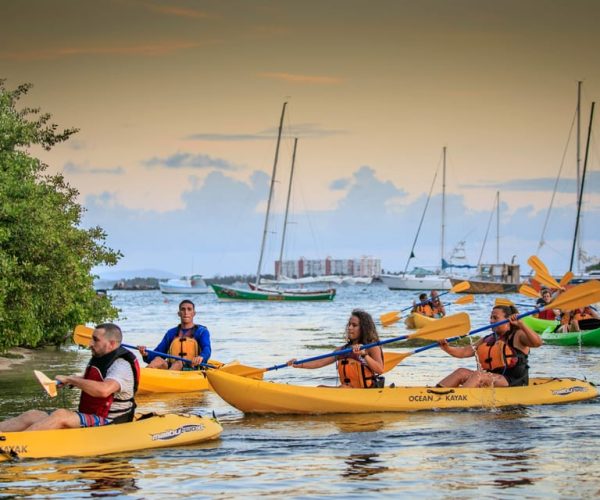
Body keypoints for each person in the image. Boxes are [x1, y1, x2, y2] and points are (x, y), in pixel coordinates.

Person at [0, 323, 139, 432]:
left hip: (110, 421)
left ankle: (18, 444)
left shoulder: (122, 366)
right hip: (91, 416)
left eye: (95, 340)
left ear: (112, 344)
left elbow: (103, 390)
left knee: (60, 415)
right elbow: (93, 379)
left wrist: (71, 380)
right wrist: (66, 381)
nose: (90, 344)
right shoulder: (102, 358)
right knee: (32, 415)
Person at [436, 305, 542, 388]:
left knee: (478, 376)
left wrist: (522, 325)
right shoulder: (488, 339)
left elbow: (537, 343)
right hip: (492, 378)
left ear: (507, 321)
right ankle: (434, 394)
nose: (491, 321)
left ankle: (460, 399)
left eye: (495, 318)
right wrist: (447, 348)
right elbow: (465, 352)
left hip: (514, 381)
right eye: (491, 317)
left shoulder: (517, 335)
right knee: (461, 372)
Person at [287, 309, 385, 388]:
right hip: (346, 390)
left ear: (364, 328)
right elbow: (320, 362)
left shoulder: (371, 347)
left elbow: (380, 370)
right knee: (320, 388)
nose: (350, 328)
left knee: (340, 389)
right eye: (349, 325)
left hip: (365, 392)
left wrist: (364, 355)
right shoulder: (342, 350)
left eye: (354, 325)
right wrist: (299, 364)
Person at [138, 300, 211, 370]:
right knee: (158, 360)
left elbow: (207, 348)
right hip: (172, 367)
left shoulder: (201, 332)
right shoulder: (171, 333)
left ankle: (166, 381)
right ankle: (141, 378)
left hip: (193, 368)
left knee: (178, 363)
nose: (186, 312)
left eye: (189, 309)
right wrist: (145, 353)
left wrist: (202, 357)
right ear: (179, 313)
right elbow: (158, 352)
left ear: (194, 313)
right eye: (183, 309)